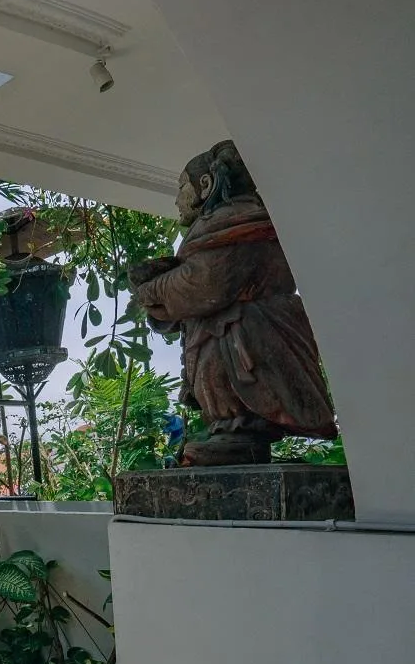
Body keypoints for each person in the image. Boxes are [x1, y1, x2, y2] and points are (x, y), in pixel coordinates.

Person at [128, 141, 336, 466]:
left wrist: (151, 290)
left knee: (234, 367)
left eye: (182, 188)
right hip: (229, 330)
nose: (176, 199)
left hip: (250, 333)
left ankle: (242, 436)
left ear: (205, 186)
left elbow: (204, 284)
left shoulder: (239, 223)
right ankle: (231, 434)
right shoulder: (221, 226)